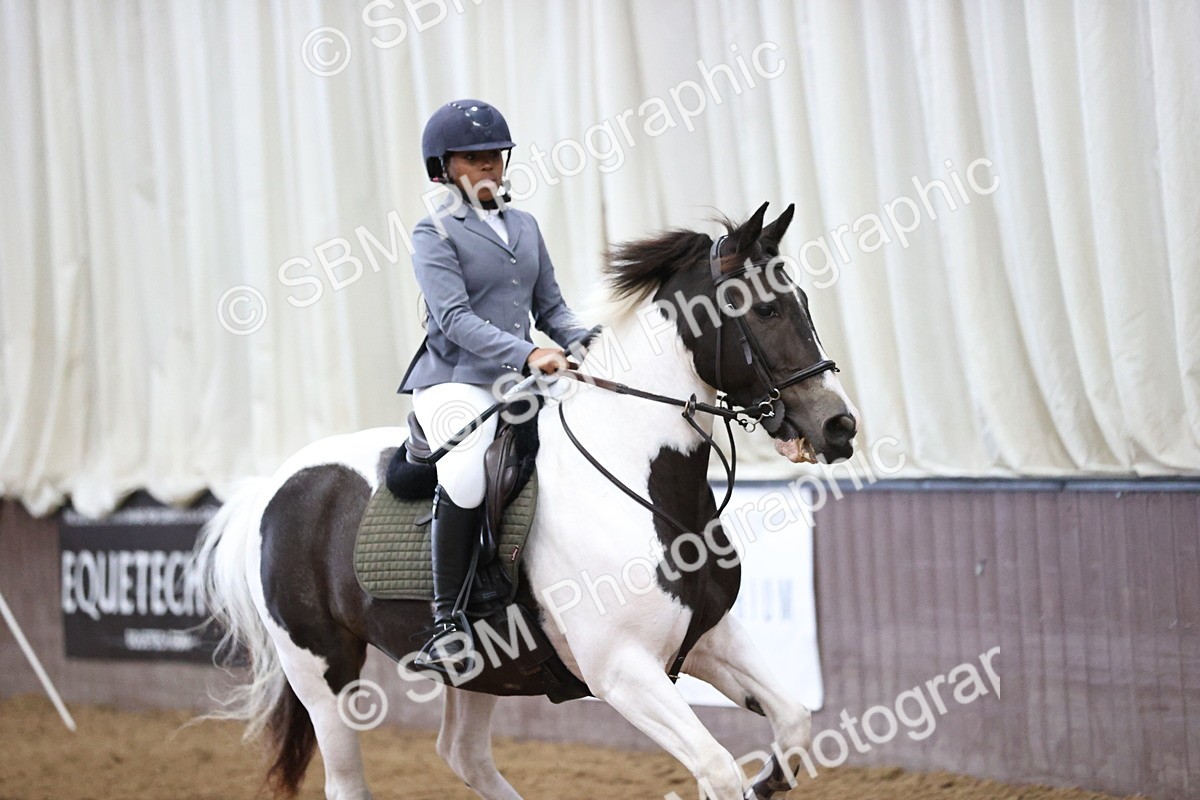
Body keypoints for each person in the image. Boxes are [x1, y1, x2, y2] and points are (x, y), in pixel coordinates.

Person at [397, 99, 594, 671]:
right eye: (473, 157)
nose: (488, 166)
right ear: (444, 166)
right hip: (454, 379)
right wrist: (531, 352)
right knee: (464, 469)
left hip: (521, 378)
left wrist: (587, 342)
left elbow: (552, 307)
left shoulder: (525, 225)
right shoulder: (433, 231)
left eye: (494, 156)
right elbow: (454, 318)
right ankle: (445, 622)